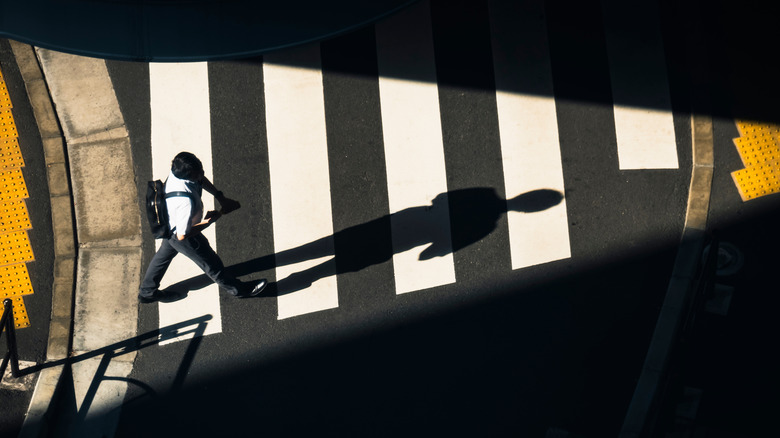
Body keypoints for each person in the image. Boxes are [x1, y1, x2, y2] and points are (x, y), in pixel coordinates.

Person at [138, 152, 267, 302]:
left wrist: (220, 197)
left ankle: (147, 292)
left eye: (201, 169)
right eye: (197, 173)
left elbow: (200, 180)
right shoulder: (184, 202)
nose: (202, 174)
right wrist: (208, 222)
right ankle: (240, 290)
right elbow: (182, 236)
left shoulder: (177, 173)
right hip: (182, 234)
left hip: (171, 224)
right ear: (187, 176)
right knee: (212, 264)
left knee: (163, 256)